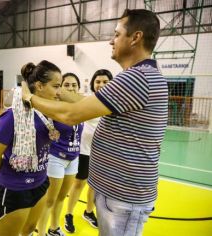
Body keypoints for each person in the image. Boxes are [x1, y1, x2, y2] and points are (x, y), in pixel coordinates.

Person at [22, 9, 167, 236]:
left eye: (117, 34)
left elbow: (72, 114)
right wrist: (56, 92)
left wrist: (30, 99)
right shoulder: (144, 75)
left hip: (123, 198)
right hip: (121, 195)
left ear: (136, 37)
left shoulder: (135, 78)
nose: (111, 40)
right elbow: (84, 101)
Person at [0, 60, 62, 236]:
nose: (60, 92)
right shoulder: (13, 116)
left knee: (28, 229)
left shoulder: (50, 114)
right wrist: (7, 170)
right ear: (40, 86)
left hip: (41, 182)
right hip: (14, 189)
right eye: (56, 86)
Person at [64, 69, 113, 233]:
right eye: (98, 81)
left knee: (95, 186)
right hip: (84, 150)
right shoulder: (88, 100)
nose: (101, 84)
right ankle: (69, 214)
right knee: (79, 183)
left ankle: (89, 211)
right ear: (93, 83)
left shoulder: (114, 102)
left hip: (102, 152)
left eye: (105, 82)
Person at [37, 73, 83, 236]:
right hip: (55, 158)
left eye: (74, 85)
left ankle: (54, 229)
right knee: (49, 200)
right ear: (61, 88)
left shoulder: (82, 106)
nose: (71, 88)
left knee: (61, 197)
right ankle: (41, 232)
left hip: (73, 158)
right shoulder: (54, 106)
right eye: (67, 85)